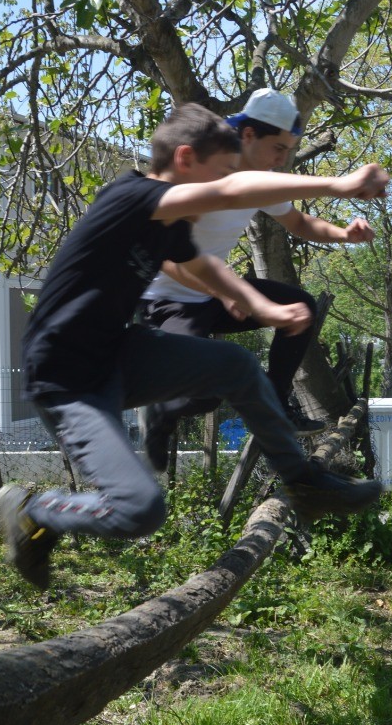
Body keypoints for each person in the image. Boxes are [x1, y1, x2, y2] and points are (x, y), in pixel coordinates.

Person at [0, 103, 387, 588]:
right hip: (65, 378)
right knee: (139, 509)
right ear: (184, 159)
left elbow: (203, 266)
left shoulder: (170, 223)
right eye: (218, 172)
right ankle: (32, 510)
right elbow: (229, 191)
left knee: (235, 365)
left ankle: (302, 483)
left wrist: (258, 306)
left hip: (118, 352)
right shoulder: (133, 195)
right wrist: (336, 183)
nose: (218, 193)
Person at [137, 88, 373, 471]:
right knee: (206, 394)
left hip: (215, 296)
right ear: (248, 135)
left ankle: (275, 400)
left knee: (301, 306)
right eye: (278, 148)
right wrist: (225, 290)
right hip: (170, 300)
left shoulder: (261, 179)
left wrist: (344, 234)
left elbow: (297, 222)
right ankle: (161, 407)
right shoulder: (204, 169)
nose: (282, 159)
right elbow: (162, 254)